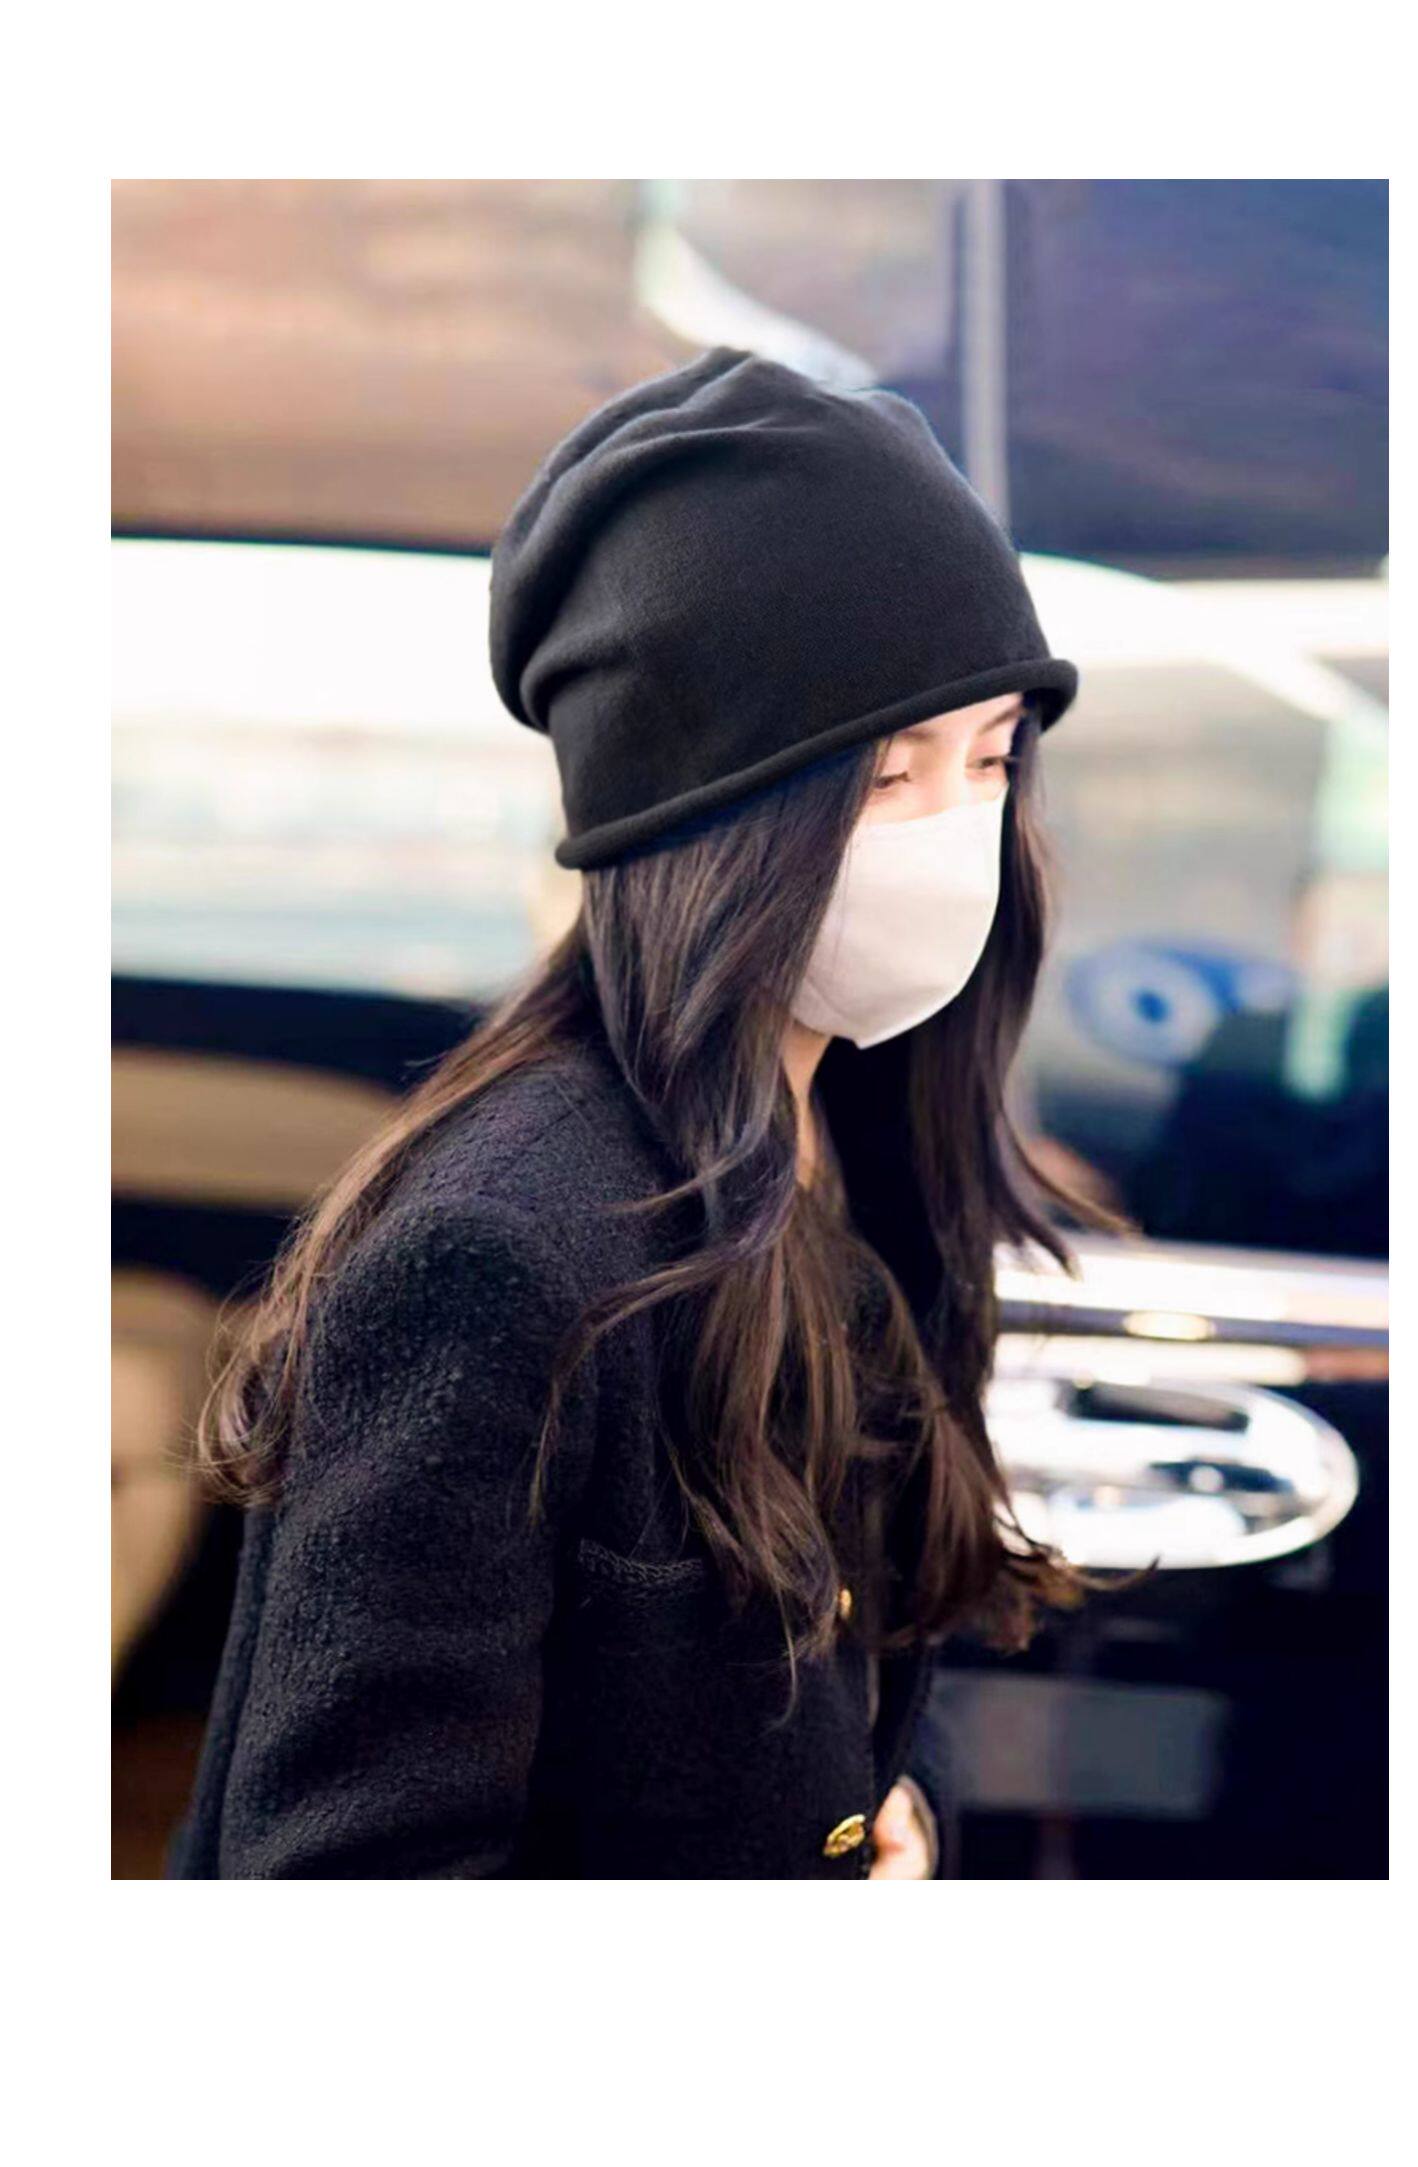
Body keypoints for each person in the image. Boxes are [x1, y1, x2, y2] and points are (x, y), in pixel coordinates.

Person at [166, 345, 1132, 1880]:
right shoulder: (495, 1254)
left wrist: (885, 1808)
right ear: (705, 822)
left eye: (993, 757)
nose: (962, 830)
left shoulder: (867, 1141)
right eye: (889, 780)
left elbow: (839, 1665)